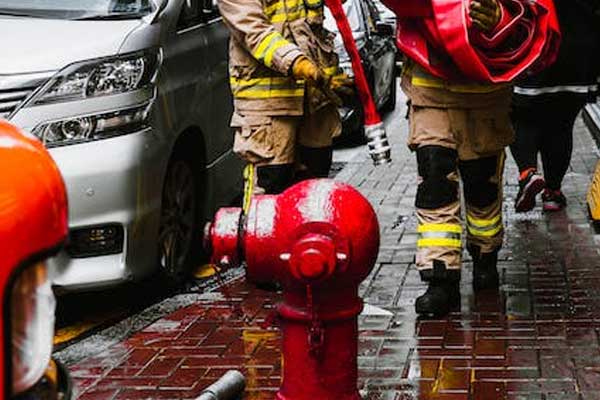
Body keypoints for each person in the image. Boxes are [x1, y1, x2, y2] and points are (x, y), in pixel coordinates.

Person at [399, 0, 516, 316]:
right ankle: (441, 278)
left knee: (483, 185)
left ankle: (485, 256)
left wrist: (500, 18)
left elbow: (532, 14)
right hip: (431, 93)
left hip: (485, 98)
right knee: (435, 186)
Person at [218, 0, 353, 204]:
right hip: (269, 110)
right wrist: (298, 63)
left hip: (314, 103)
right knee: (270, 199)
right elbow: (255, 31)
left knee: (314, 197)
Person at [511, 0, 600, 212]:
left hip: (534, 45)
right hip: (578, 50)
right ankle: (553, 192)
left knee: (522, 118)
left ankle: (528, 174)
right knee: (561, 124)